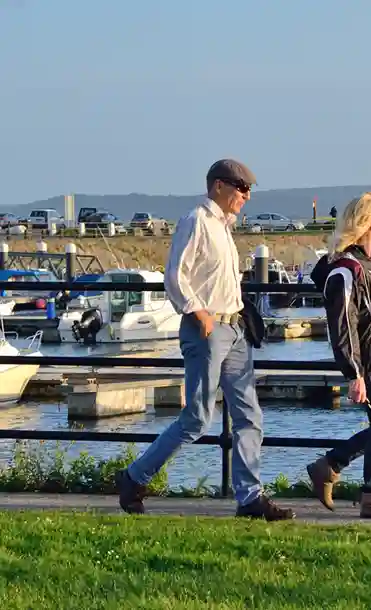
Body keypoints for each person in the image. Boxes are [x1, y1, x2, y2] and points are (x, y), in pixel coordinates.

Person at [115, 159, 294, 521]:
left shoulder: (224, 227)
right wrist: (200, 314)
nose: (246, 195)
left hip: (234, 329)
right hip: (208, 330)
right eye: (241, 188)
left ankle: (250, 497)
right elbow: (175, 275)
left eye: (248, 190)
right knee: (197, 418)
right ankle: (134, 477)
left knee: (249, 415)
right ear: (218, 186)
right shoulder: (196, 220)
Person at [306, 192, 371, 520]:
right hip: (366, 362)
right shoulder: (347, 269)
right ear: (369, 223)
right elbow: (343, 325)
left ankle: (335, 469)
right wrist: (353, 374)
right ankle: (369, 492)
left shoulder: (369, 265)